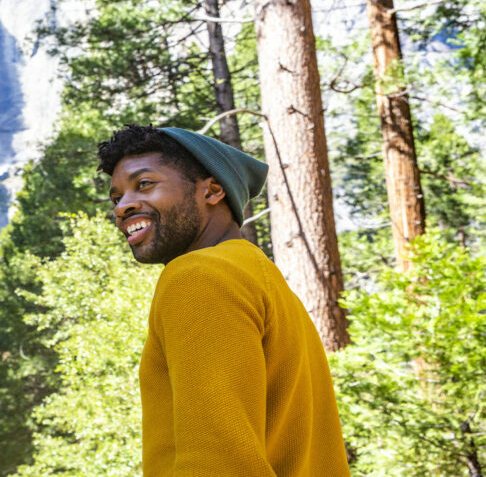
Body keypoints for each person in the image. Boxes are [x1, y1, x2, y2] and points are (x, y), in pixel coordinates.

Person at [98, 125, 350, 476]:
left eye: (144, 184)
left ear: (212, 190)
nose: (123, 207)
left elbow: (218, 462)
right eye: (116, 198)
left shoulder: (197, 277)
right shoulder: (262, 278)